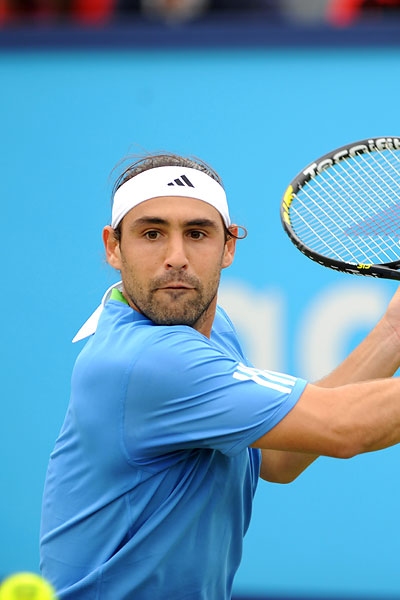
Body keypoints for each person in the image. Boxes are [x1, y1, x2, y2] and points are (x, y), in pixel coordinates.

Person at [40, 151, 400, 599]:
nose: (176, 257)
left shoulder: (213, 330)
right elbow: (345, 426)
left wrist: (394, 330)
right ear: (114, 246)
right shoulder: (149, 361)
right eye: (152, 233)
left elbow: (279, 458)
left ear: (229, 246)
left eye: (197, 233)